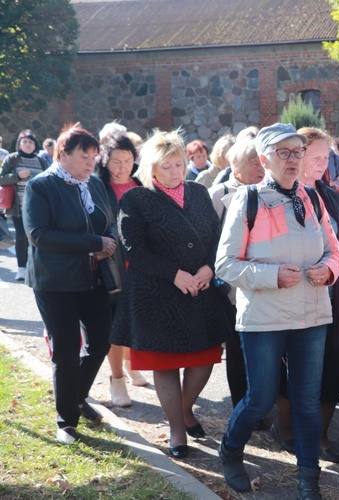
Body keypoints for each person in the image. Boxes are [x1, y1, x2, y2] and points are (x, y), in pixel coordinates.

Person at [214, 122, 339, 497]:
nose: (293, 159)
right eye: (284, 152)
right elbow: (225, 265)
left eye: (297, 151)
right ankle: (231, 450)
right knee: (261, 397)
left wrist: (329, 270)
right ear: (264, 158)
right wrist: (271, 276)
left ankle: (308, 480)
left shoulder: (314, 198)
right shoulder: (247, 199)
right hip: (264, 318)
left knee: (306, 400)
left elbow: (335, 252)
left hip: (312, 315)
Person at [110, 130, 233, 459]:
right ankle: (177, 430)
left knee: (205, 359)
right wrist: (174, 275)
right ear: (151, 168)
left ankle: (184, 409)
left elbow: (216, 237)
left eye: (179, 164)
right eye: (167, 167)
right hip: (158, 293)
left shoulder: (197, 192)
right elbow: (134, 249)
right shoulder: (135, 199)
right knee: (165, 365)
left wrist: (209, 267)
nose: (176, 172)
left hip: (200, 290)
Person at [23, 123, 116, 444]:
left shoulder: (95, 185)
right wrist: (94, 242)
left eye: (94, 156)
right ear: (63, 154)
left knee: (102, 341)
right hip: (55, 281)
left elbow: (110, 222)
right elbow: (39, 235)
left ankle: (77, 396)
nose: (91, 162)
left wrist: (109, 243)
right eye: (84, 155)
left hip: (94, 277)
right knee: (65, 350)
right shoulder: (42, 186)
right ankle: (66, 422)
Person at [271, 127, 339, 465]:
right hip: (293, 298)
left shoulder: (329, 195)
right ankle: (286, 429)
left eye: (326, 158)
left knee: (332, 368)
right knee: (295, 371)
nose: (323, 164)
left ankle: (320, 435)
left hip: (331, 296)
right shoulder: (277, 197)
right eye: (315, 157)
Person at [207, 137, 265, 407]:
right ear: (236, 168)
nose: (261, 168)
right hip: (231, 287)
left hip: (265, 282)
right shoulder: (219, 194)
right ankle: (243, 403)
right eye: (254, 163)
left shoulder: (269, 190)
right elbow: (208, 239)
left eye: (262, 161)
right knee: (238, 349)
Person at [97, 133, 148, 408]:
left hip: (140, 265)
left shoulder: (141, 185)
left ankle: (130, 364)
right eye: (116, 161)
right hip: (111, 265)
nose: (122, 167)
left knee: (134, 320)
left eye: (127, 160)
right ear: (105, 161)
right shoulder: (98, 186)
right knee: (116, 325)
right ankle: (116, 379)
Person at [0, 129, 49, 281]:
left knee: (36, 237)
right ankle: (21, 267)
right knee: (21, 236)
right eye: (24, 141)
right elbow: (1, 179)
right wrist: (17, 176)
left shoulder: (41, 161)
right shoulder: (12, 159)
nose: (27, 144)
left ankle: (34, 266)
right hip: (18, 207)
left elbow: (49, 180)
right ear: (19, 144)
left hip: (37, 207)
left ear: (35, 145)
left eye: (30, 142)